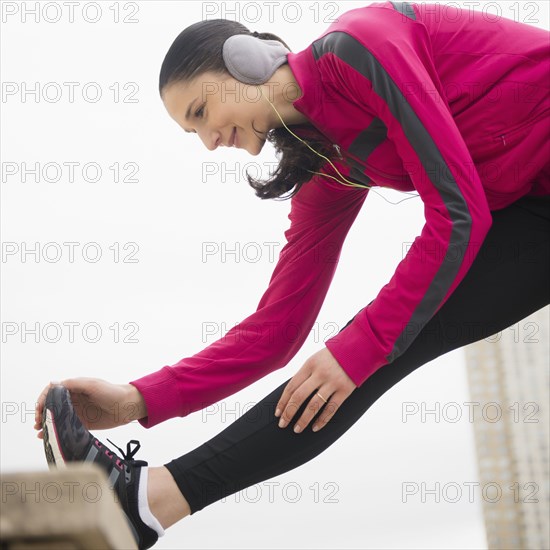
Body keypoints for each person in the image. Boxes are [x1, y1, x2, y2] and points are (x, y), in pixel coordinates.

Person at [34, 2, 549, 549]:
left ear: (246, 59)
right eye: (193, 133)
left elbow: (459, 212)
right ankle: (144, 502)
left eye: (202, 111)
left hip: (509, 201)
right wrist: (137, 398)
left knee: (370, 344)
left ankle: (144, 499)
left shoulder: (362, 45)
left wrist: (360, 345)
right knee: (375, 348)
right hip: (536, 212)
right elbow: (275, 331)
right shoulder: (329, 165)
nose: (209, 142)